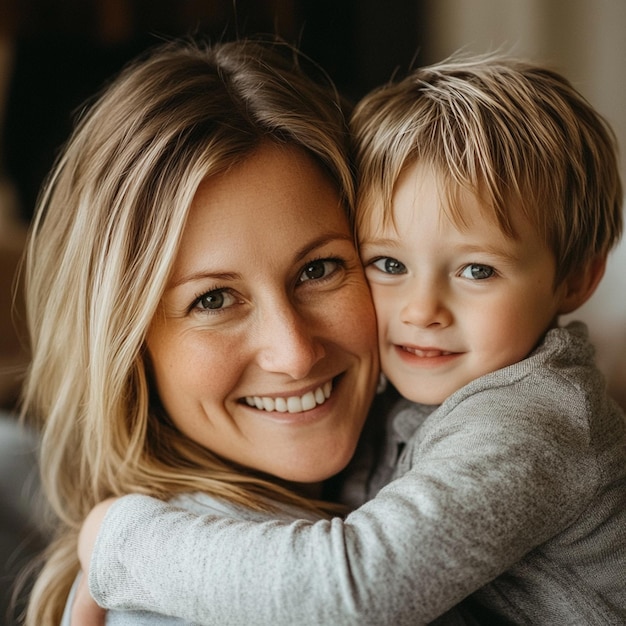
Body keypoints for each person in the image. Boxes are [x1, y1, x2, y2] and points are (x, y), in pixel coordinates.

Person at [78, 56, 626, 625]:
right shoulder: (422, 396)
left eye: (477, 271)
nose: (422, 310)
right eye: (389, 263)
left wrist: (120, 544)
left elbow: (356, 588)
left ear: (576, 279)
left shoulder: (528, 424)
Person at [19, 38, 380, 626]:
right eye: (213, 299)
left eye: (319, 269)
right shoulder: (165, 606)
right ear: (128, 347)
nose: (294, 353)